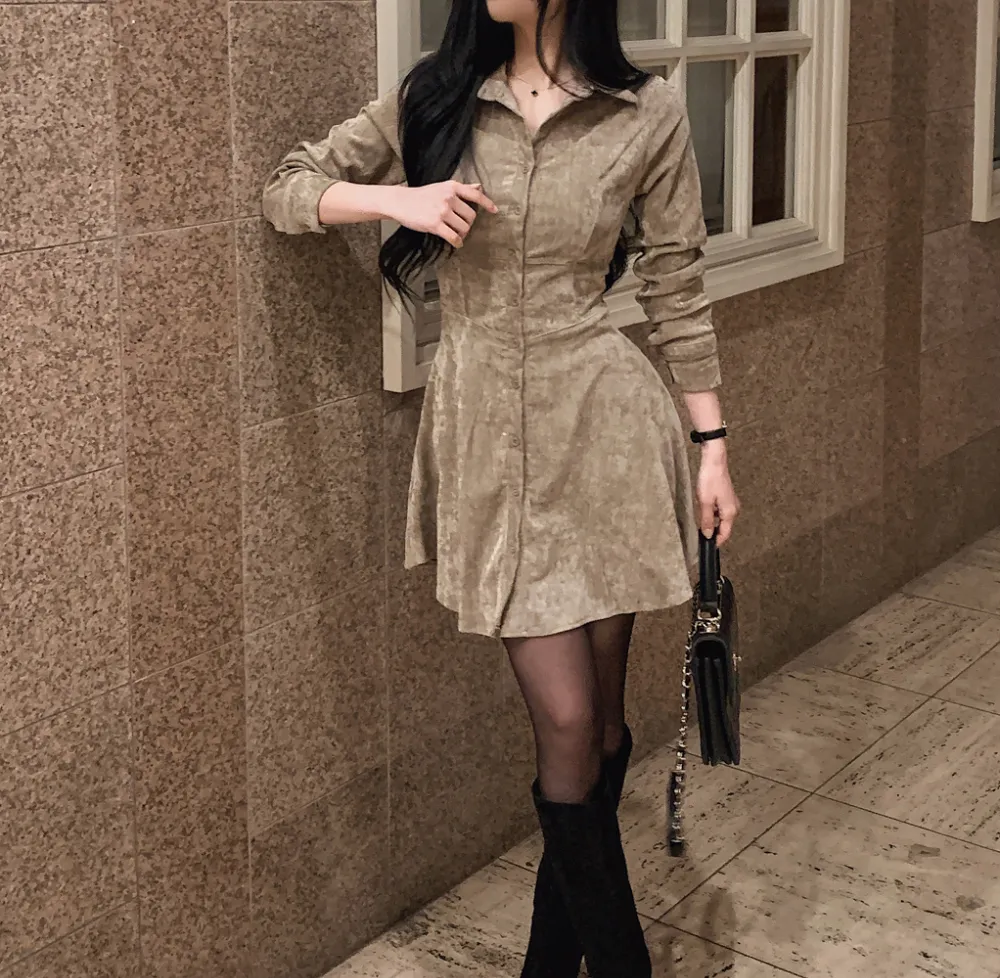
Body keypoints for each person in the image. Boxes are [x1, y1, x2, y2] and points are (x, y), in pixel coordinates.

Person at [262, 0, 739, 972]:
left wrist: (712, 446)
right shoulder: (438, 96)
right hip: (490, 440)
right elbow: (287, 189)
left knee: (603, 725)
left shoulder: (643, 111)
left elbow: (676, 286)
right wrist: (397, 203)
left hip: (604, 434)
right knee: (565, 721)